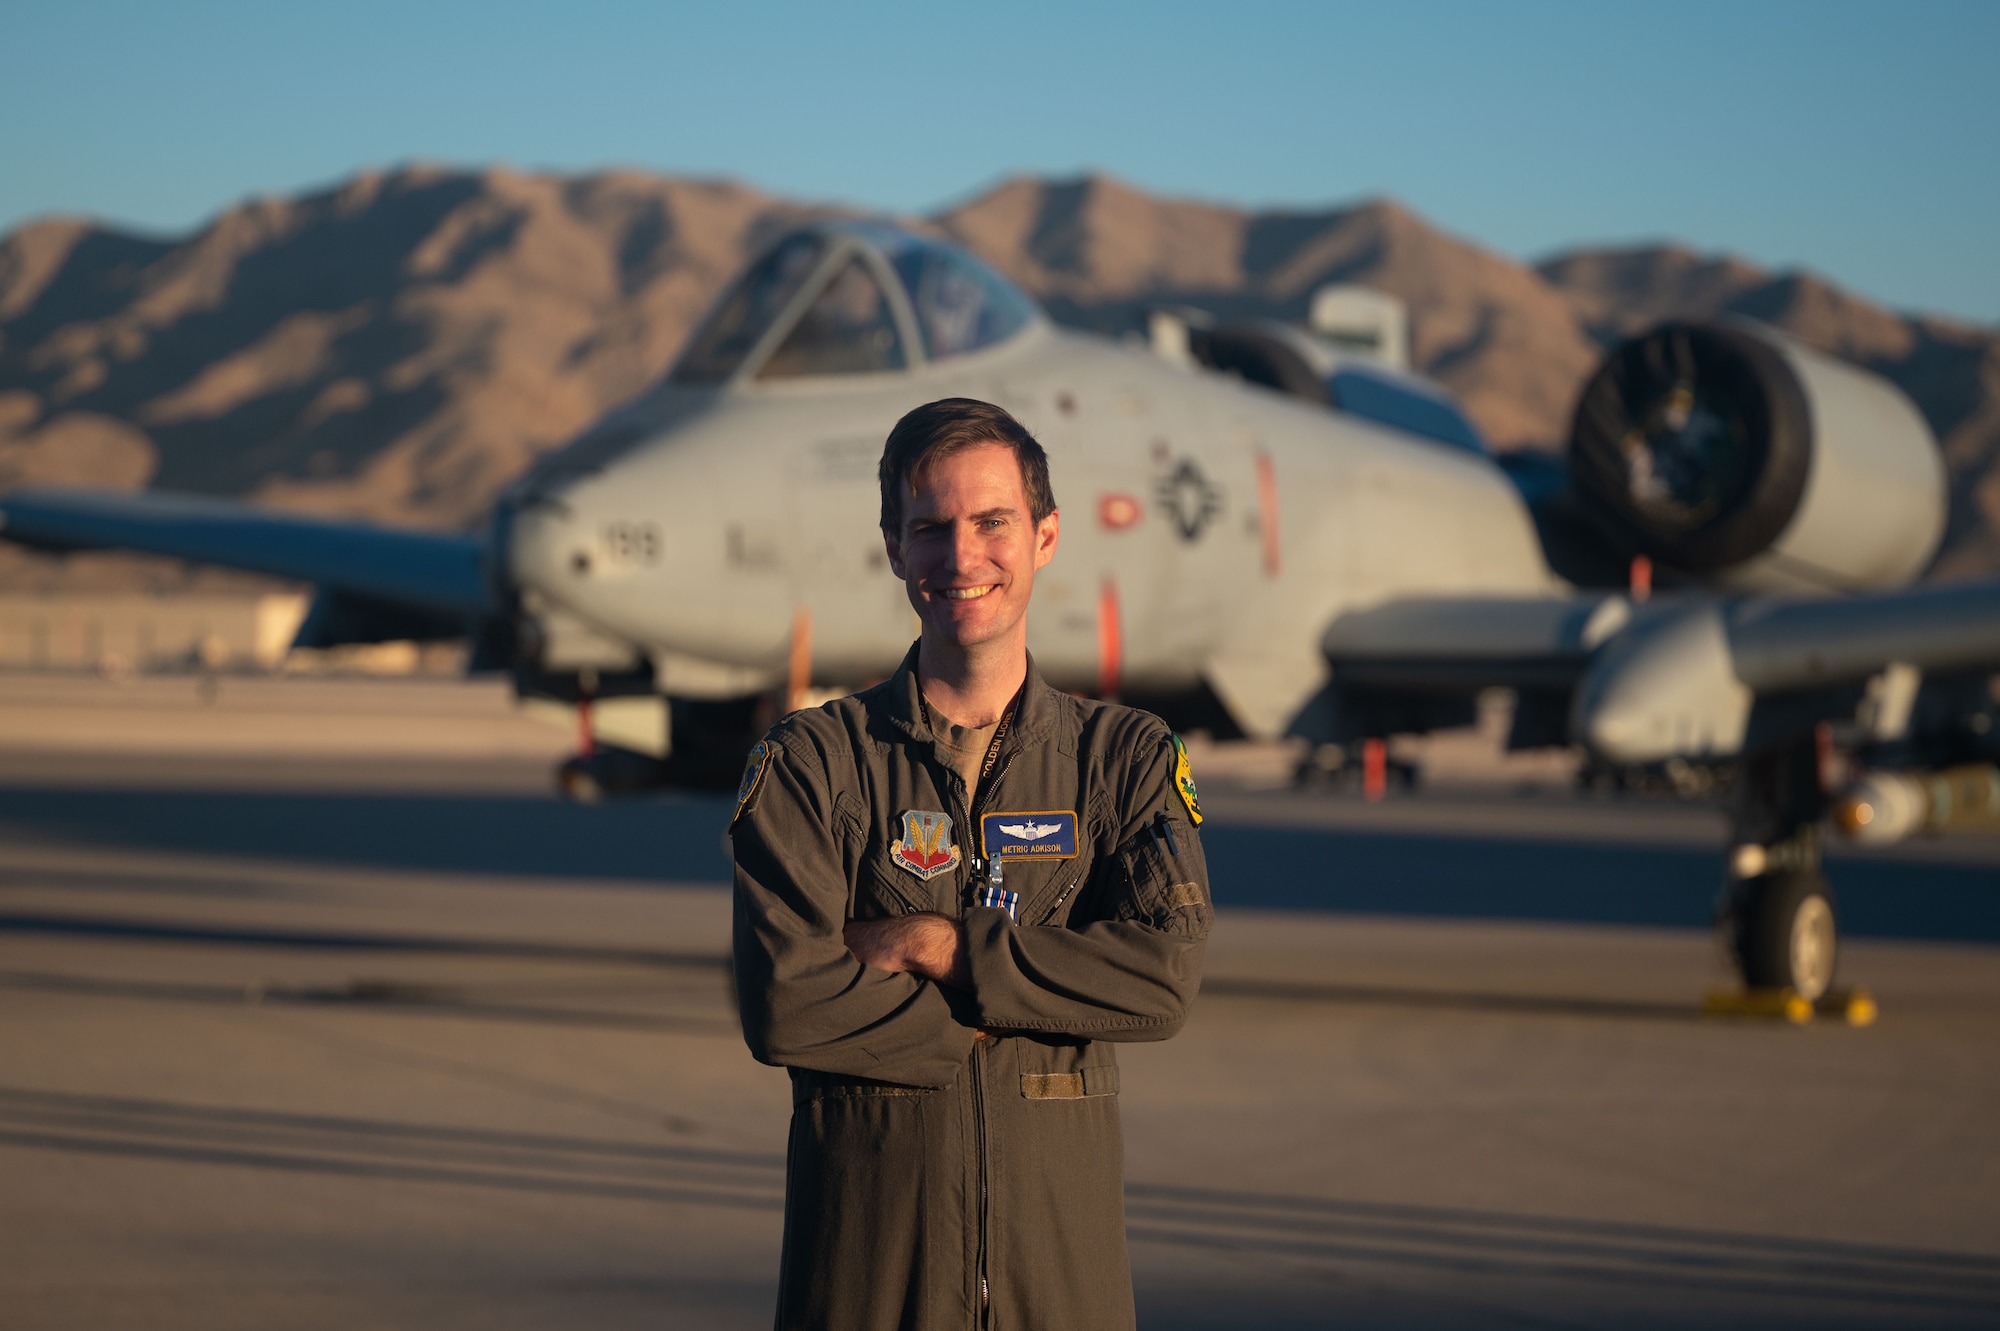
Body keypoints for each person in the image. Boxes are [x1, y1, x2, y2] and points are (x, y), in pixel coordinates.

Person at [730, 397, 1212, 1330]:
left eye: (993, 522)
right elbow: (785, 1000)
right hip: (868, 1285)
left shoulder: (1124, 760)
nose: (962, 556)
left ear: (1046, 535)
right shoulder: (813, 762)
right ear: (894, 547)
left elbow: (1163, 977)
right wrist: (1020, 1008)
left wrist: (948, 950)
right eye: (930, 528)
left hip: (1061, 1288)